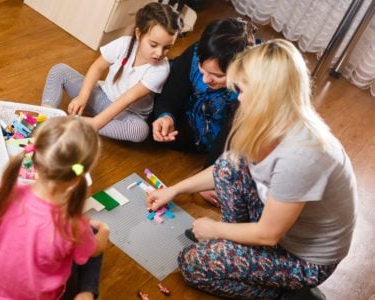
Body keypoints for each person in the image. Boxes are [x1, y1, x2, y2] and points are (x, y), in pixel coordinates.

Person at [147, 39, 357, 299]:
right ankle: (236, 247)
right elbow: (225, 168)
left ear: (265, 94)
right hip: (284, 227)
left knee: (192, 264)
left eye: (243, 90)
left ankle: (286, 295)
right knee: (227, 165)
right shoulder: (274, 119)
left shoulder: (302, 155)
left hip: (303, 258)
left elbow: (268, 235)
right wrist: (174, 190)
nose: (238, 96)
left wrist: (215, 230)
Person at [0, 117, 110, 300]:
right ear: (79, 176)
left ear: (35, 160)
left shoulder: (5, 190)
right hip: (39, 296)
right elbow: (96, 249)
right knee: (92, 238)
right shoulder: (75, 225)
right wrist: (103, 233)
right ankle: (86, 292)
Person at [41, 2, 183, 143]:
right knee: (59, 70)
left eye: (167, 48)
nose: (159, 53)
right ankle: (46, 115)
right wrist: (83, 97)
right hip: (102, 97)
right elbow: (97, 67)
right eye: (153, 45)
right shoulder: (123, 44)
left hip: (126, 114)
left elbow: (127, 99)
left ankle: (79, 124)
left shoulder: (161, 69)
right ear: (139, 34)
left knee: (140, 131)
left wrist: (96, 123)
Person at [151, 18, 257, 206]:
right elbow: (172, 92)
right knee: (151, 124)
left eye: (217, 75)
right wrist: (165, 115)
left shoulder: (252, 84)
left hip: (226, 140)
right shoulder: (195, 53)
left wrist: (209, 177)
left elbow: (232, 137)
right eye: (202, 69)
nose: (206, 79)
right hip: (194, 122)